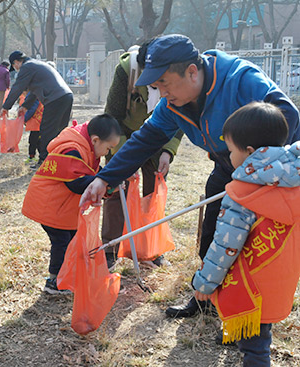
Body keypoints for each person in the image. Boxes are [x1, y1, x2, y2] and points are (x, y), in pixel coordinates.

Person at [79, 34, 300, 318]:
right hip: (226, 164)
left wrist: (263, 166)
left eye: (165, 84)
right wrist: (104, 178)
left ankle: (244, 315)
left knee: (251, 244)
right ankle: (206, 299)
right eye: (156, 87)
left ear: (192, 72)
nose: (162, 93)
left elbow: (287, 114)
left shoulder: (241, 78)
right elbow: (144, 139)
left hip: (266, 175)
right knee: (213, 234)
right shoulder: (172, 105)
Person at [192, 102, 300, 366]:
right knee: (262, 331)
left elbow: (225, 247)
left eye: (230, 150)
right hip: (281, 275)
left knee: (255, 350)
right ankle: (234, 334)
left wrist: (204, 283)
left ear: (250, 153)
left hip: (250, 284)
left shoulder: (243, 193)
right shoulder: (293, 177)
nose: (229, 157)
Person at [102, 43, 182, 270]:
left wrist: (168, 150)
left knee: (153, 191)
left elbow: (180, 114)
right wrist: (128, 155)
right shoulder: (126, 71)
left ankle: (150, 249)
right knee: (117, 190)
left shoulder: (175, 73)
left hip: (159, 135)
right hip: (124, 135)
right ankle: (110, 248)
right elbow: (112, 117)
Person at [22, 114, 121, 294]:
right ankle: (55, 281)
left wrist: (111, 177)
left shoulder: (86, 146)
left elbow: (93, 172)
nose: (108, 153)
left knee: (72, 239)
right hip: (51, 206)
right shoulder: (72, 150)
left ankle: (66, 275)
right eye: (108, 148)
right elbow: (77, 182)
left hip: (61, 207)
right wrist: (107, 183)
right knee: (62, 242)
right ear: (96, 140)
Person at [0, 51, 73, 168]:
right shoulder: (37, 65)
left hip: (55, 99)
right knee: (59, 131)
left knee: (46, 131)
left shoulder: (27, 67)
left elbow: (18, 87)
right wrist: (25, 106)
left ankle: (44, 162)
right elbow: (35, 92)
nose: (16, 69)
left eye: (14, 66)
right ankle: (59, 161)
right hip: (66, 96)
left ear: (16, 62)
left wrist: (5, 107)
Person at [22, 92, 43, 164]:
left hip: (36, 124)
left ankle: (32, 157)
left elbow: (32, 109)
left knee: (33, 141)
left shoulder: (33, 96)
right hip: (40, 123)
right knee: (38, 141)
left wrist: (24, 119)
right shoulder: (41, 95)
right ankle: (41, 156)